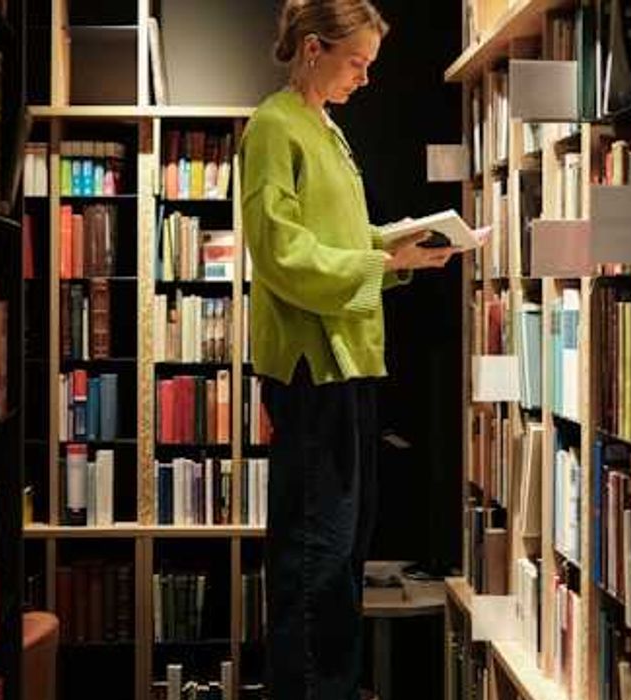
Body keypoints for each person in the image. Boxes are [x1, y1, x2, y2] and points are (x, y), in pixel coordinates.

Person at [240, 2, 458, 697]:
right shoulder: (275, 128)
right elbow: (281, 252)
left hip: (349, 359)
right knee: (315, 557)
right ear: (312, 49)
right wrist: (386, 264)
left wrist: (396, 243)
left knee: (341, 556)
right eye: (356, 63)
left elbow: (336, 234)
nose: (364, 80)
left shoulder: (325, 129)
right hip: (314, 366)